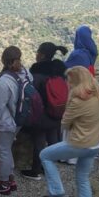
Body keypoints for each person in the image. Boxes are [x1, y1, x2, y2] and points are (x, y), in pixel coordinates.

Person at [39, 66, 99, 197]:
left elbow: (65, 123)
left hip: (80, 143)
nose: (68, 84)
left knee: (45, 155)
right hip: (97, 143)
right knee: (83, 179)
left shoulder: (77, 101)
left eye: (69, 81)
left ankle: (57, 194)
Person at [0, 46, 32, 195]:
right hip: (19, 119)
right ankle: (10, 179)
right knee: (7, 149)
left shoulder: (4, 82)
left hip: (5, 123)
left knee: (3, 151)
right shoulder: (26, 73)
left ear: (3, 60)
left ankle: (4, 183)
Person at [23, 42, 68, 179]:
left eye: (37, 52)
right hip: (57, 110)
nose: (36, 54)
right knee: (53, 138)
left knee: (39, 141)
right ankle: (49, 168)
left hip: (42, 114)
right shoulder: (59, 71)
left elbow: (31, 94)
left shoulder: (36, 73)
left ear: (42, 55)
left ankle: (36, 171)